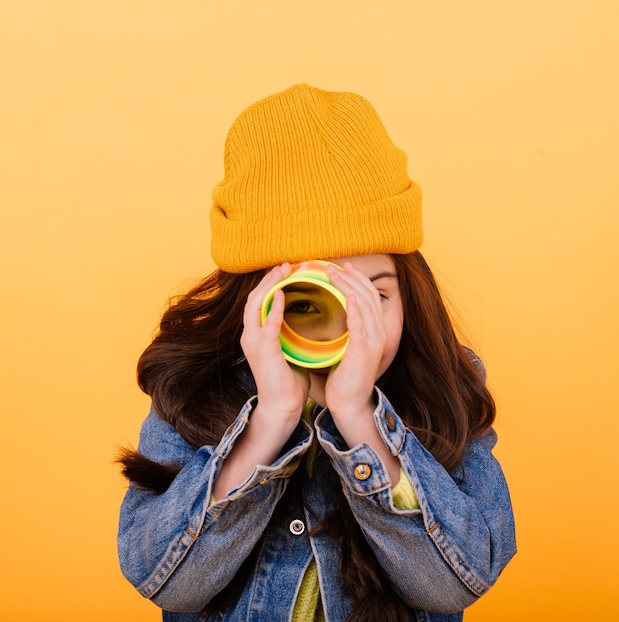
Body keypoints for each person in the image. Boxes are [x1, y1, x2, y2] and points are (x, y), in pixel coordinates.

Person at [117, 84, 516, 622]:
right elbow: (164, 584)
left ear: (410, 292)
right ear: (254, 300)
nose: (349, 325)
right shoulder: (192, 386)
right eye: (308, 302)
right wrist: (270, 421)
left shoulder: (444, 382)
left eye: (374, 295)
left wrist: (358, 419)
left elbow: (454, 586)